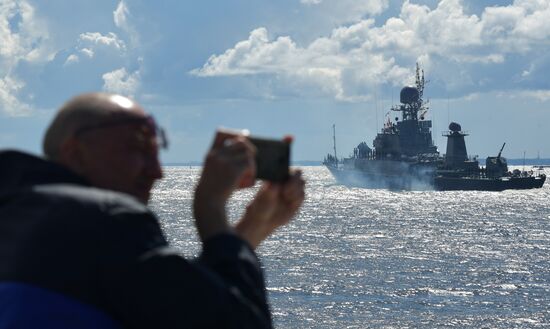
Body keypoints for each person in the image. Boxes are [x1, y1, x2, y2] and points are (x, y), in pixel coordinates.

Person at [0, 93, 305, 328]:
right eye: (139, 149)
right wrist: (210, 207)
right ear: (74, 151)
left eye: (157, 152)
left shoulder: (20, 214)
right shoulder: (109, 220)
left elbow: (178, 307)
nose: (157, 172)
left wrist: (252, 228)